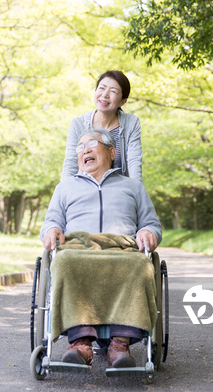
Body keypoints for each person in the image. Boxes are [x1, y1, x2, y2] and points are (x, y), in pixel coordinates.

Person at [41, 129, 162, 368]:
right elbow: (51, 221)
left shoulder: (133, 186)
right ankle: (81, 342)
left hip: (121, 249)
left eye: (92, 143)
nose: (84, 150)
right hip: (78, 247)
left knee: (140, 264)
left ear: (111, 151)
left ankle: (120, 343)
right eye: (80, 147)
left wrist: (148, 232)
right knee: (63, 262)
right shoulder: (65, 188)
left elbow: (151, 224)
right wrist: (52, 230)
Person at [61, 70, 143, 182]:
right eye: (102, 88)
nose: (105, 95)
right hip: (85, 190)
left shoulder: (131, 123)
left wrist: (137, 193)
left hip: (119, 192)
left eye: (113, 91)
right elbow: (70, 163)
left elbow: (134, 163)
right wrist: (64, 193)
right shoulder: (78, 124)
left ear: (122, 102)